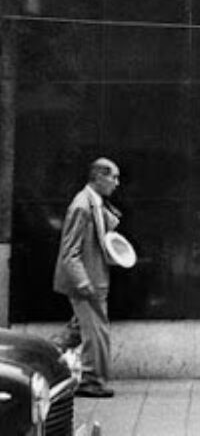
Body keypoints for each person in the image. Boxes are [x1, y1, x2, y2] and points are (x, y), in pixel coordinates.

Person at [53, 157, 122, 397]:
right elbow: (70, 251)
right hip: (88, 282)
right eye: (113, 177)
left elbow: (103, 234)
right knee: (95, 332)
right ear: (99, 177)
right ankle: (91, 380)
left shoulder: (94, 203)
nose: (116, 182)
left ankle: (43, 358)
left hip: (95, 279)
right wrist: (83, 283)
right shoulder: (82, 206)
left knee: (75, 332)